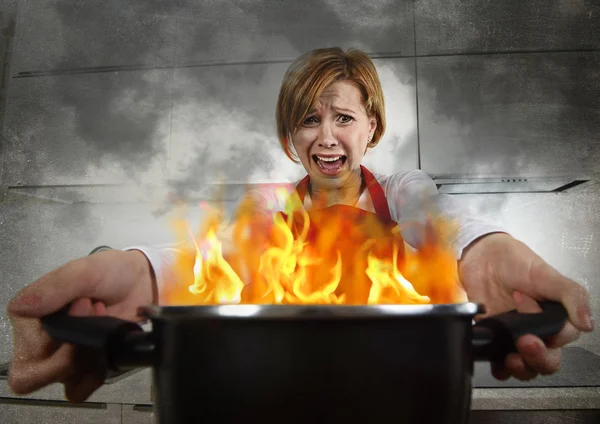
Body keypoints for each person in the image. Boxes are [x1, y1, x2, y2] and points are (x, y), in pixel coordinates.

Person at [7, 47, 593, 403]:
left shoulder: (403, 192)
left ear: (372, 129)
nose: (327, 136)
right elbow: (216, 256)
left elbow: (439, 226)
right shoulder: (269, 211)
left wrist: (484, 250)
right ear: (292, 137)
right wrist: (141, 272)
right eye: (308, 120)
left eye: (343, 117)